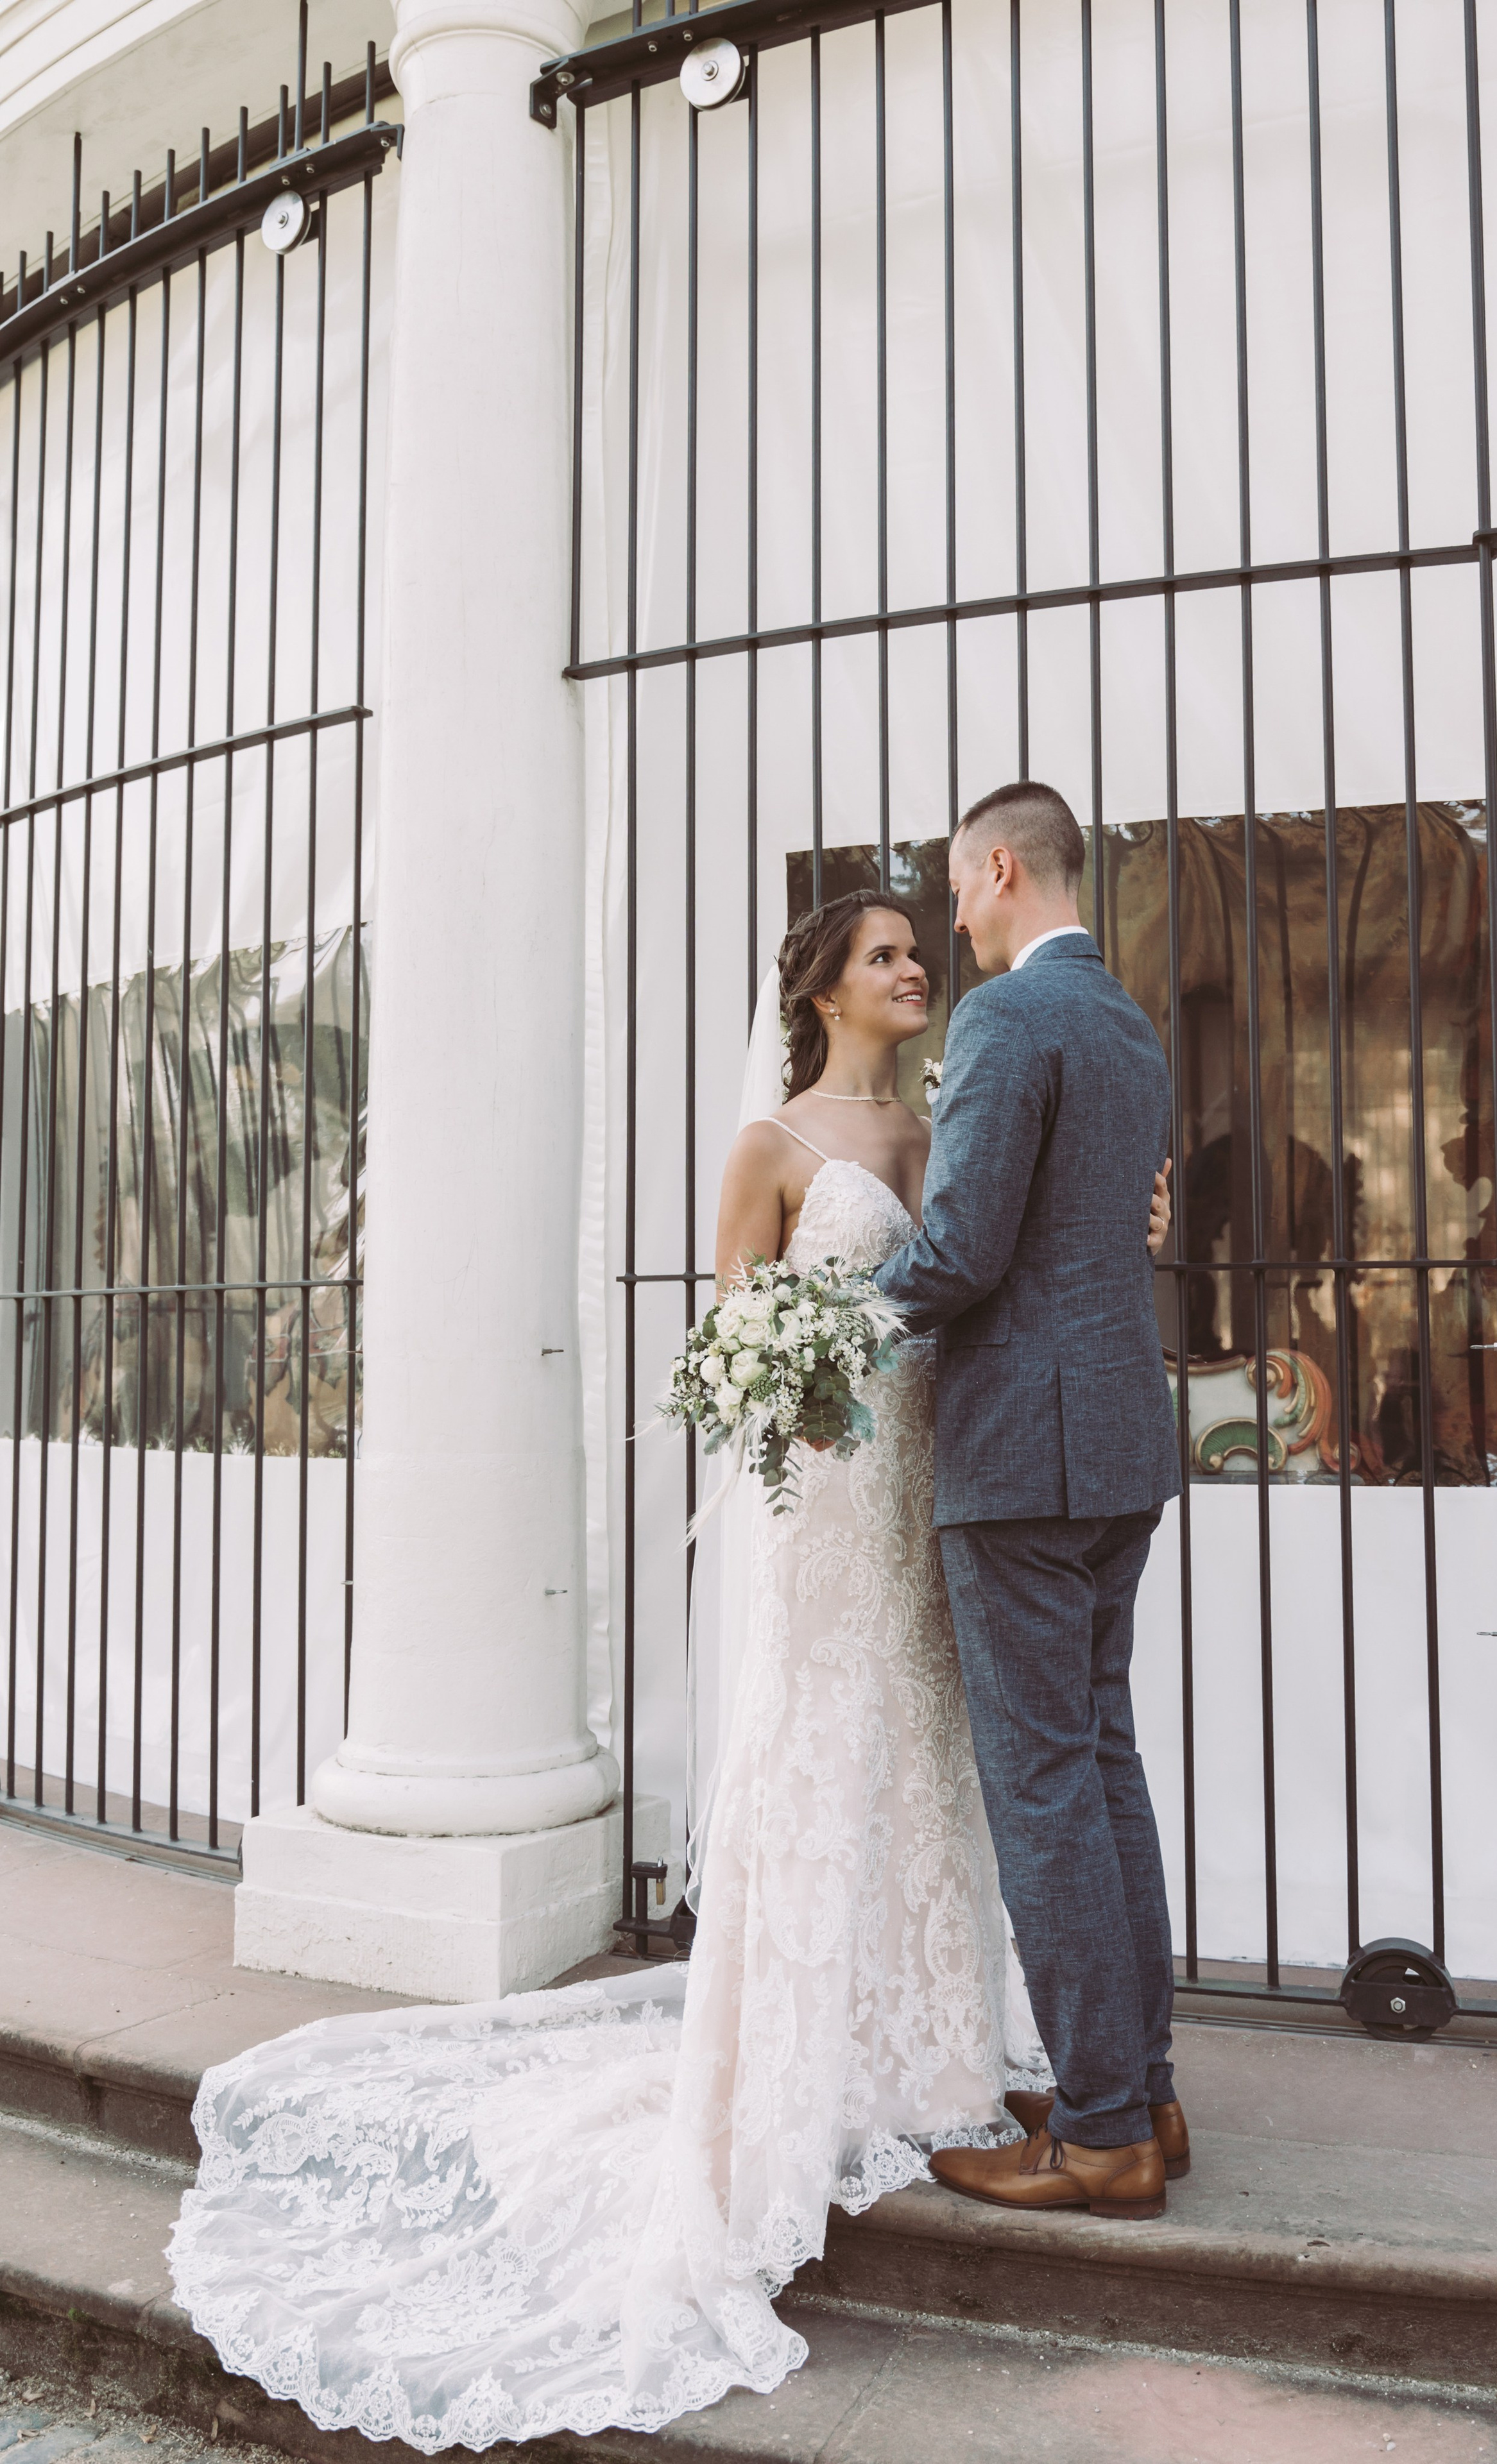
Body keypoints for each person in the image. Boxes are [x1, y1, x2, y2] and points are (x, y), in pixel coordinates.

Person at [166, 871, 1173, 2449]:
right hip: (840, 1499)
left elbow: (1004, 1251)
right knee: (858, 1745)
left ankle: (933, 2047)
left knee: (949, 1764)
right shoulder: (771, 1144)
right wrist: (793, 1362)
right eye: (885, 955)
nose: (915, 968)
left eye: (920, 949)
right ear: (823, 988)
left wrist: (1120, 1220)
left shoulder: (951, 1121)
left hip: (952, 1476)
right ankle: (823, 2052)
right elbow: (737, 1338)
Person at [874, 780, 1186, 2218]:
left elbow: (962, 1249)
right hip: (1118, 1442)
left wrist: (828, 1322)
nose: (951, 919)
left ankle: (1102, 2132)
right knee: (1102, 1762)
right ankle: (1143, 2091)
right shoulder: (1126, 1022)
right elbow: (1091, 1224)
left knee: (1044, 1781)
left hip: (1021, 1457)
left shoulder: (1005, 1018)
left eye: (954, 888)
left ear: (1000, 868)